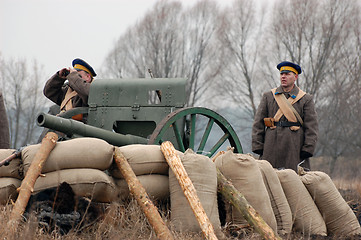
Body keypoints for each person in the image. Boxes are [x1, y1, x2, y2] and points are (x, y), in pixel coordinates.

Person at [252, 61, 318, 171]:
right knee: (268, 177)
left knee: (296, 181)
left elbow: (311, 127)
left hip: (294, 146)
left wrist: (308, 148)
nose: (283, 77)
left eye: (287, 74)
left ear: (295, 77)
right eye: (282, 74)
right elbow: (258, 123)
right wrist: (258, 146)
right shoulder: (268, 96)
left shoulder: (305, 99)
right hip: (271, 145)